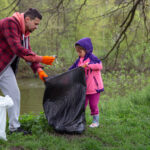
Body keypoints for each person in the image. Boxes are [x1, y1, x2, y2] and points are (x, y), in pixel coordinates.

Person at [0, 8, 55, 134]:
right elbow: (17, 49)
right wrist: (41, 58)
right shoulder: (9, 23)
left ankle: (14, 127)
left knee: (14, 94)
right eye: (36, 24)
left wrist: (39, 69)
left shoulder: (24, 33)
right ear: (27, 19)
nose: (37, 27)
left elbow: (28, 54)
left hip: (4, 68)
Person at [69, 37, 104, 128]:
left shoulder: (92, 58)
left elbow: (100, 66)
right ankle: (80, 120)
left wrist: (88, 66)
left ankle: (95, 121)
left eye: (80, 51)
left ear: (86, 50)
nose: (79, 53)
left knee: (93, 105)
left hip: (94, 88)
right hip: (83, 88)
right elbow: (73, 68)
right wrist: (68, 73)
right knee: (82, 105)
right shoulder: (79, 60)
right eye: (77, 52)